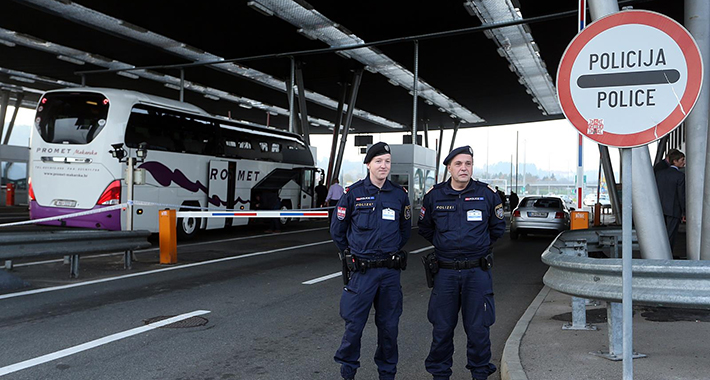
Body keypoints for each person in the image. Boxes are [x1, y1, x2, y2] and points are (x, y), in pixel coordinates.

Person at [418, 146, 505, 380]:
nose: (464, 168)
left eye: (468, 163)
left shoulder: (487, 194)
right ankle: (440, 375)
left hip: (477, 272)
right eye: (458, 164)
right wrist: (443, 243)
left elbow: (497, 228)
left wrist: (477, 247)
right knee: (442, 329)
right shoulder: (435, 196)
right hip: (445, 272)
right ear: (449, 168)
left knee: (478, 329)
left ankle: (479, 374)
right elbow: (425, 227)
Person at [330, 142, 412, 380]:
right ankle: (348, 374)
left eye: (387, 161)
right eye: (378, 161)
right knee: (353, 327)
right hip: (362, 272)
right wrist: (351, 254)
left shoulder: (399, 195)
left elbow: (405, 231)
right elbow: (337, 230)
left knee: (389, 329)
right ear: (368, 165)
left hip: (389, 272)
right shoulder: (353, 193)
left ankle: (387, 375)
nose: (383, 165)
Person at [655, 149, 686, 250]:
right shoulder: (680, 176)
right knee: (670, 236)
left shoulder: (660, 174)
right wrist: (684, 212)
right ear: (675, 161)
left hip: (660, 209)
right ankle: (667, 256)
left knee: (660, 234)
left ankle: (659, 254)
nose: (683, 162)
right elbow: (681, 195)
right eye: (682, 160)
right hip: (673, 210)